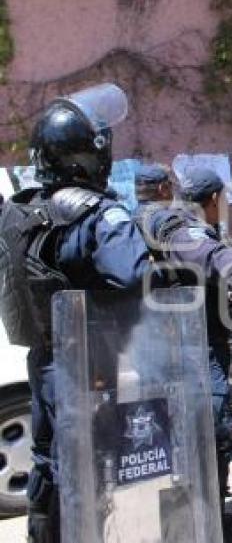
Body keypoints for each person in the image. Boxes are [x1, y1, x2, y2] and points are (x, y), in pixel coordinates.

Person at [0, 84, 156, 543]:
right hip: (88, 363)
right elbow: (134, 277)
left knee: (49, 461)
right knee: (88, 466)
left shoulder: (18, 210)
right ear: (83, 159)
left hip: (42, 359)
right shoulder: (99, 213)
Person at [139, 167, 232, 529]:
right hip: (195, 350)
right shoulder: (183, 227)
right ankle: (207, 525)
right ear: (212, 200)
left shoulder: (160, 220)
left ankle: (196, 520)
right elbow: (210, 255)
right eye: (224, 200)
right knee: (211, 436)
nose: (225, 206)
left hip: (171, 345)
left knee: (183, 441)